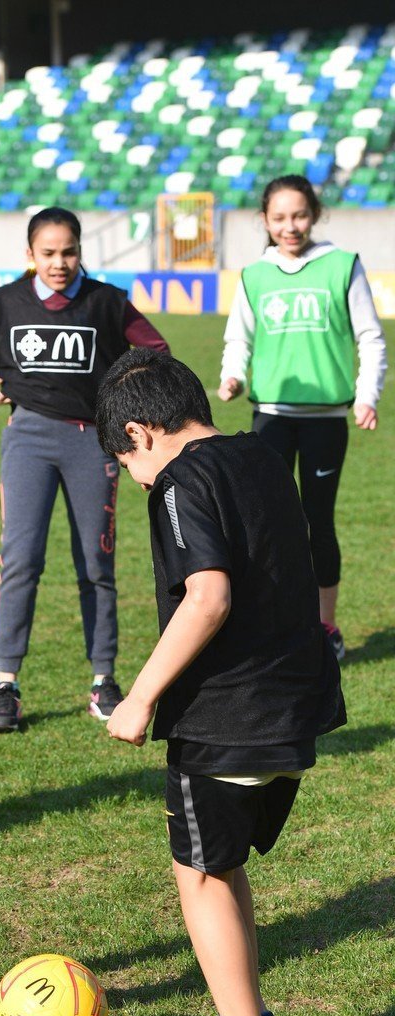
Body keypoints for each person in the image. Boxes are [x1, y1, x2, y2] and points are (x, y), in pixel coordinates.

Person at [96, 348, 345, 1016]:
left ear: (140, 433)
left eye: (123, 461)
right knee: (224, 864)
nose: (131, 478)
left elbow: (208, 596)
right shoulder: (262, 455)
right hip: (292, 706)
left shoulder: (177, 482)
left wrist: (138, 698)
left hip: (227, 715)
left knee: (199, 875)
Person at [0, 207, 169, 732]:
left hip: (92, 444)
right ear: (30, 255)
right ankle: (7, 684)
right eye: (48, 253)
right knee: (20, 560)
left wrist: (123, 406)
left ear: (80, 251)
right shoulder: (6, 301)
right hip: (27, 439)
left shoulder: (107, 302)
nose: (59, 262)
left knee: (96, 565)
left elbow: (155, 349)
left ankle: (103, 681)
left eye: (68, 251)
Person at [219, 174, 386, 661]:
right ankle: (272, 622)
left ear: (314, 214)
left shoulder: (342, 266)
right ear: (265, 221)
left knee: (318, 521)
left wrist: (366, 395)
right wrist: (232, 376)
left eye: (299, 215)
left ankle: (324, 625)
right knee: (265, 524)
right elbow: (239, 340)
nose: (290, 226)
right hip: (269, 415)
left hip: (326, 420)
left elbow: (370, 338)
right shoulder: (255, 275)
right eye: (279, 218)